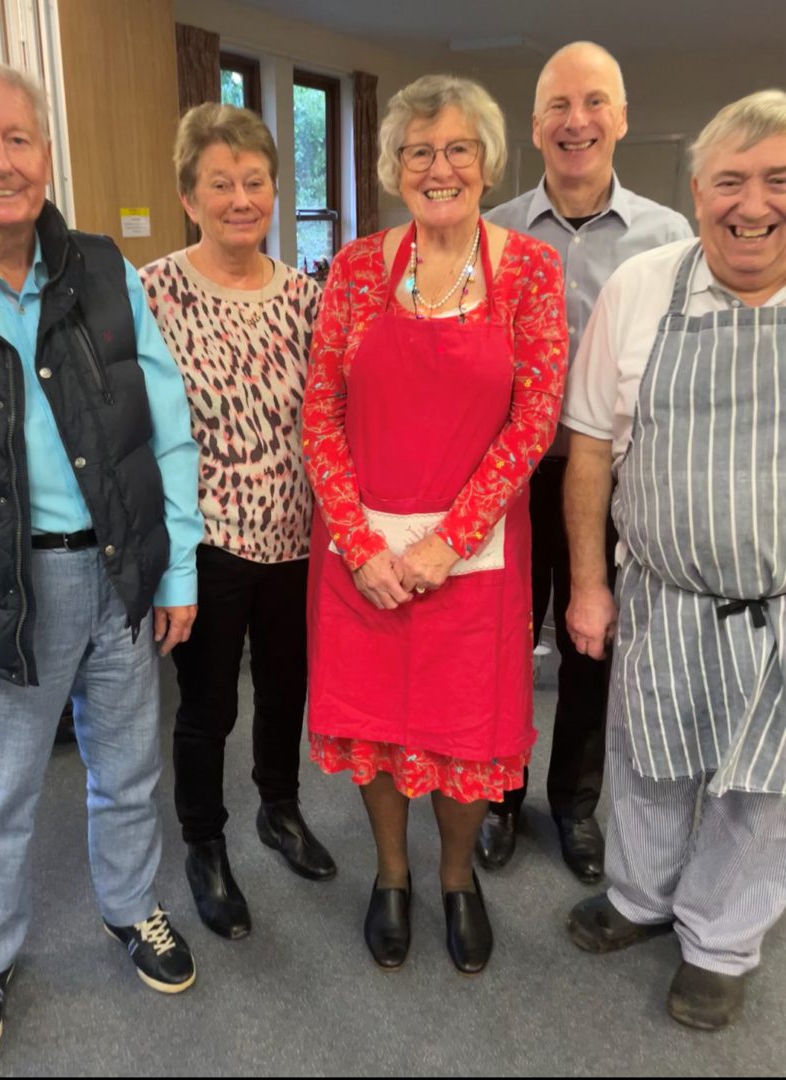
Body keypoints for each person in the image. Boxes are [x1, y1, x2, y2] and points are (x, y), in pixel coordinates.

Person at [0, 55, 203, 1071]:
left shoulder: (103, 269)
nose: (0, 161)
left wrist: (177, 570)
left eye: (18, 138)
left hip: (119, 574)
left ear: (46, 152)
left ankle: (130, 907)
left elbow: (167, 425)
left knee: (128, 770)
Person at [303, 74, 568, 974]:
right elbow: (320, 415)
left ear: (487, 163)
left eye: (457, 149)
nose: (438, 167)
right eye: (418, 151)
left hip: (474, 558)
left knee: (465, 734)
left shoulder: (529, 271)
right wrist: (359, 544)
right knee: (375, 728)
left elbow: (532, 419)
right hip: (363, 559)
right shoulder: (354, 270)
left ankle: (456, 877)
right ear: (393, 167)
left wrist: (446, 543)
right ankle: (391, 874)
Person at [561, 90, 786, 1031]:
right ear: (696, 194)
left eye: (777, 180)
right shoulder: (641, 287)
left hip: (778, 610)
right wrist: (586, 583)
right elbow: (587, 448)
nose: (752, 205)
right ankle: (639, 896)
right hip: (660, 591)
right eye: (729, 181)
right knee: (645, 759)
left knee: (761, 790)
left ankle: (720, 943)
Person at [479, 41, 692, 882]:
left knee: (590, 644)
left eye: (594, 101)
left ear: (622, 118)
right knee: (500, 645)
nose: (577, 121)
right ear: (534, 127)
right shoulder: (491, 232)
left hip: (611, 478)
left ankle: (573, 802)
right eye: (559, 107)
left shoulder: (667, 237)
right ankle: (498, 794)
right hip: (508, 477)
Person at [139, 103, 336, 942]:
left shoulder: (306, 298)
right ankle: (205, 841)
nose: (240, 198)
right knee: (208, 704)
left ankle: (279, 809)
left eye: (254, 181)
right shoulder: (151, 292)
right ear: (190, 197)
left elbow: (330, 414)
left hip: (297, 535)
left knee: (287, 688)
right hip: (207, 540)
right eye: (220, 183)